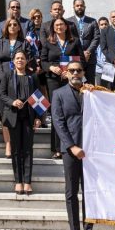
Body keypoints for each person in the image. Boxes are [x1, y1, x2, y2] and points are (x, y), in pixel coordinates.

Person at [51, 59, 99, 230]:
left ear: (83, 72)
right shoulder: (58, 94)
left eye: (78, 70)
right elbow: (58, 123)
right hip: (71, 151)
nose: (75, 74)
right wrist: (71, 146)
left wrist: (95, 92)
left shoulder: (92, 93)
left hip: (91, 151)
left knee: (90, 192)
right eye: (71, 71)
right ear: (66, 73)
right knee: (72, 192)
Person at [0, 48, 41, 195]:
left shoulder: (32, 77)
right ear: (13, 61)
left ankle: (27, 182)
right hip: (13, 117)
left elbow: (38, 98)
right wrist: (12, 102)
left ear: (26, 61)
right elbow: (2, 95)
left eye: (22, 58)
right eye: (17, 58)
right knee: (16, 150)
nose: (20, 60)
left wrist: (38, 117)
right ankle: (18, 181)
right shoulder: (7, 76)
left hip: (29, 117)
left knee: (28, 150)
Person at [42, 17, 80, 158]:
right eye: (56, 25)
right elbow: (44, 61)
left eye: (61, 24)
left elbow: (80, 59)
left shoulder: (74, 41)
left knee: (70, 111)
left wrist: (70, 72)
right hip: (53, 80)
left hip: (70, 80)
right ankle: (57, 148)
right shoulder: (48, 42)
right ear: (53, 27)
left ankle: (72, 144)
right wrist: (51, 67)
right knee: (56, 113)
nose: (59, 27)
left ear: (66, 26)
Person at [0, 17, 30, 157]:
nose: (12, 26)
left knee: (17, 111)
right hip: (4, 77)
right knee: (5, 112)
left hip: (20, 78)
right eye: (9, 24)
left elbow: (29, 59)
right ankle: (8, 144)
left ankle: (19, 141)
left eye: (15, 24)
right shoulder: (0, 42)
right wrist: (1, 76)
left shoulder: (24, 43)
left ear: (19, 27)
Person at [68, 0, 100, 85]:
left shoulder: (92, 21)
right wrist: (80, 53)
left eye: (81, 5)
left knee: (89, 83)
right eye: (77, 5)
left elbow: (96, 37)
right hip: (75, 57)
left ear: (84, 7)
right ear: (73, 7)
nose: (79, 7)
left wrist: (88, 51)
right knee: (76, 83)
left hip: (89, 58)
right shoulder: (68, 21)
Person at [95, 15, 115, 91]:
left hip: (113, 65)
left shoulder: (111, 35)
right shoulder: (96, 38)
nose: (104, 26)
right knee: (103, 89)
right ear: (98, 26)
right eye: (101, 24)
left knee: (114, 88)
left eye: (106, 24)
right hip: (101, 68)